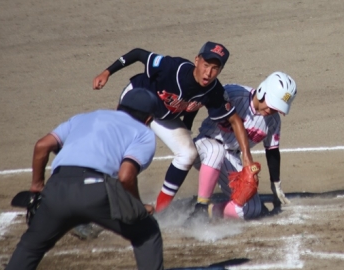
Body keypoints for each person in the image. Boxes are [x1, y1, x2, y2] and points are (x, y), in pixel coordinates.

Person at [5, 88, 164, 270]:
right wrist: (136, 206)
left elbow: (42, 146)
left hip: (57, 190)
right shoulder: (143, 133)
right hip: (96, 194)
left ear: (118, 106)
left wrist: (37, 185)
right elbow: (126, 175)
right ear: (149, 119)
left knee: (31, 246)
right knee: (147, 233)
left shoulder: (82, 118)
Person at [92, 42, 255, 213]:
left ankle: (161, 210)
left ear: (220, 70)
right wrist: (107, 72)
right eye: (206, 65)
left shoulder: (214, 91)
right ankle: (96, 198)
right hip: (138, 102)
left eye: (215, 68)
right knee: (121, 152)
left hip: (163, 116)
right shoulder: (173, 67)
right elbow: (138, 53)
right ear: (197, 60)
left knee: (188, 153)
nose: (208, 73)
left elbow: (235, 120)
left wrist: (247, 156)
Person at [193, 72, 297, 220]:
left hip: (230, 157)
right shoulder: (234, 94)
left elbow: (272, 150)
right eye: (271, 104)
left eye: (277, 108)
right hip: (205, 145)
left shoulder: (273, 121)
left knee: (252, 208)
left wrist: (276, 184)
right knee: (216, 151)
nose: (271, 111)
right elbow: (199, 99)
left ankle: (207, 212)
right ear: (262, 91)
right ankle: (201, 205)